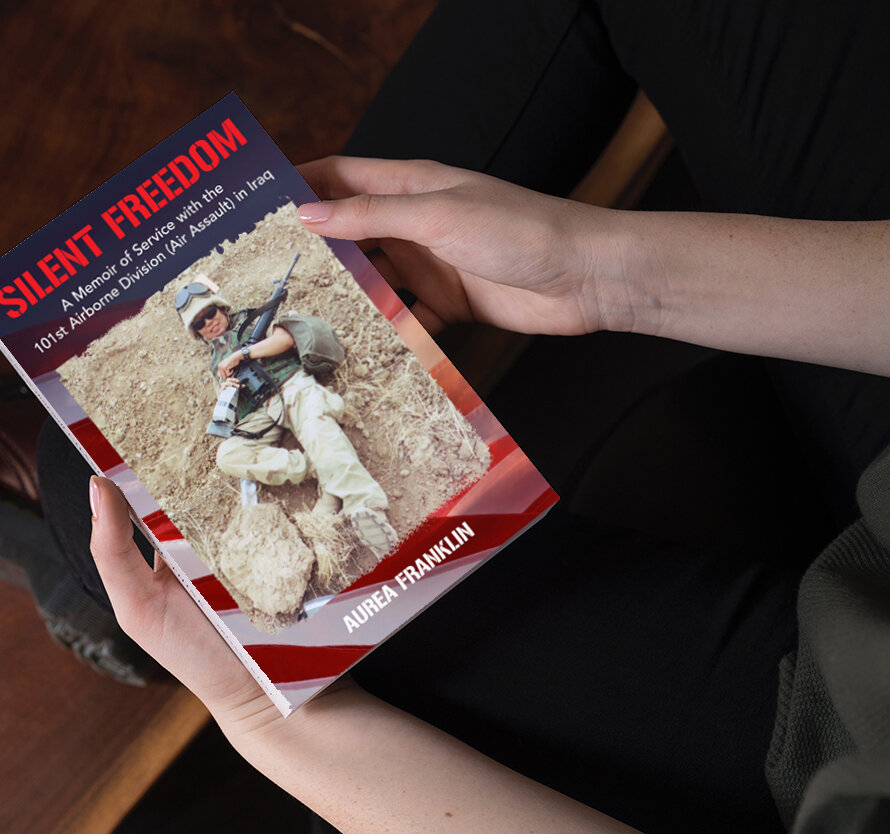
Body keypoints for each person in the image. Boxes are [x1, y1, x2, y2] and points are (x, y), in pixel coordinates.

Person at [84, 2, 890, 833]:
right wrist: (601, 274)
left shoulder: (268, 333)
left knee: (95, 490)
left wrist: (262, 722)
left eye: (216, 318)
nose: (217, 329)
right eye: (206, 327)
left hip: (826, 733)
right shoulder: (218, 359)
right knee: (197, 471)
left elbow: (316, 344)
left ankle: (305, 512)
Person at [174, 275, 399, 557]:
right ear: (197, 333)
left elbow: (285, 339)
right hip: (260, 411)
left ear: (221, 308)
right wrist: (226, 393)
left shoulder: (251, 322)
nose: (209, 322)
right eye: (199, 323)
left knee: (316, 426)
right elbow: (232, 414)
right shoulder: (215, 363)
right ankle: (318, 468)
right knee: (228, 455)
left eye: (210, 313)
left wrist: (243, 354)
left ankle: (365, 507)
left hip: (291, 386)